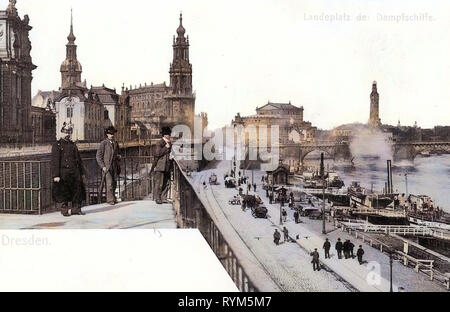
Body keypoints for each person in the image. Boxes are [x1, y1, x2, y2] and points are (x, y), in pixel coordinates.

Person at [51, 122, 86, 217]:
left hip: (74, 172)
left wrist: (82, 173)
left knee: (77, 191)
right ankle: (65, 210)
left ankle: (76, 209)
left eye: (69, 132)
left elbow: (78, 159)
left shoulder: (72, 144)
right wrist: (56, 175)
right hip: (63, 173)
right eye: (65, 132)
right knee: (63, 192)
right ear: (61, 133)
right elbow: (55, 161)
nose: (67, 134)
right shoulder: (57, 145)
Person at [96, 126, 121, 205]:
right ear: (107, 134)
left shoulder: (115, 143)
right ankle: (110, 200)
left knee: (114, 182)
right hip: (107, 167)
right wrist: (103, 166)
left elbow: (117, 153)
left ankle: (113, 197)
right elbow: (98, 156)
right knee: (109, 183)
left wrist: (118, 157)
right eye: (110, 134)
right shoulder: (104, 143)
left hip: (114, 166)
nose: (112, 135)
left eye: (113, 133)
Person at [153, 126, 173, 204]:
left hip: (167, 165)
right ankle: (158, 198)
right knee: (159, 183)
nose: (169, 136)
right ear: (165, 135)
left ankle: (164, 198)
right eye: (168, 134)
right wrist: (165, 148)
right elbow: (157, 154)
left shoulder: (169, 143)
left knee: (166, 182)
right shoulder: (160, 143)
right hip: (160, 166)